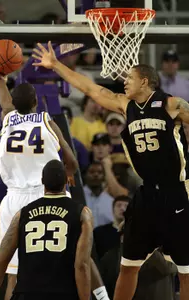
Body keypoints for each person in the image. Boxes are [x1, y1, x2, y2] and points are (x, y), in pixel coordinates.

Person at [32, 41, 189, 300]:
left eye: (130, 77)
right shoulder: (124, 105)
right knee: (127, 266)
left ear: (146, 82)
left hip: (176, 193)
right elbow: (90, 88)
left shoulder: (171, 104)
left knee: (185, 271)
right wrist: (56, 65)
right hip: (146, 194)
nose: (124, 81)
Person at [0, 71, 78, 300]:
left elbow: (5, 105)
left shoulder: (8, 119)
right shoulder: (46, 120)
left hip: (14, 200)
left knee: (13, 273)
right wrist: (70, 173)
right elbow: (71, 160)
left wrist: (0, 80)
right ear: (36, 102)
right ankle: (99, 295)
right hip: (46, 196)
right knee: (65, 261)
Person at [0, 160, 93, 300]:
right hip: (64, 293)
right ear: (67, 180)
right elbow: (82, 265)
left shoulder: (22, 214)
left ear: (42, 181)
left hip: (26, 294)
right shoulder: (82, 213)